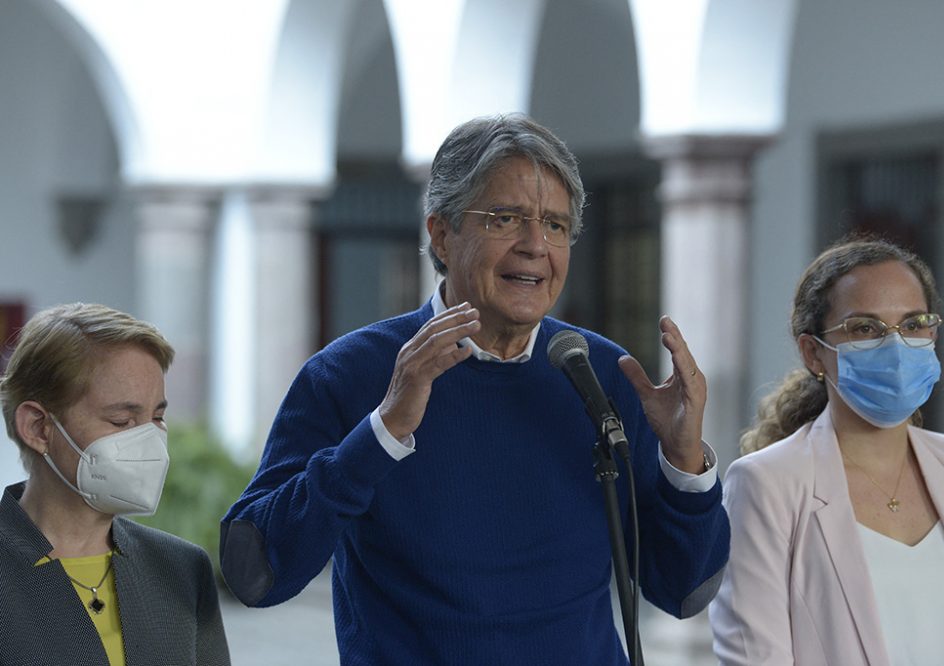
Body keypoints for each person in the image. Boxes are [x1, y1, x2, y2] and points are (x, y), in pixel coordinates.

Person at [221, 113, 729, 664]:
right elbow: (256, 573)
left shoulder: (600, 374)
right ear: (441, 233)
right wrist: (382, 432)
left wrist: (685, 466)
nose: (536, 246)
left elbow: (684, 592)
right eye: (506, 218)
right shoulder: (349, 374)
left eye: (556, 226)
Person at [709, 238, 944, 665]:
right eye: (866, 328)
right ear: (814, 353)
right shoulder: (766, 484)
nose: (896, 346)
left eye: (914, 323)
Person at [0, 303, 231, 666]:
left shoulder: (182, 569)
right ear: (37, 427)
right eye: (122, 421)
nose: (149, 440)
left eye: (157, 416)